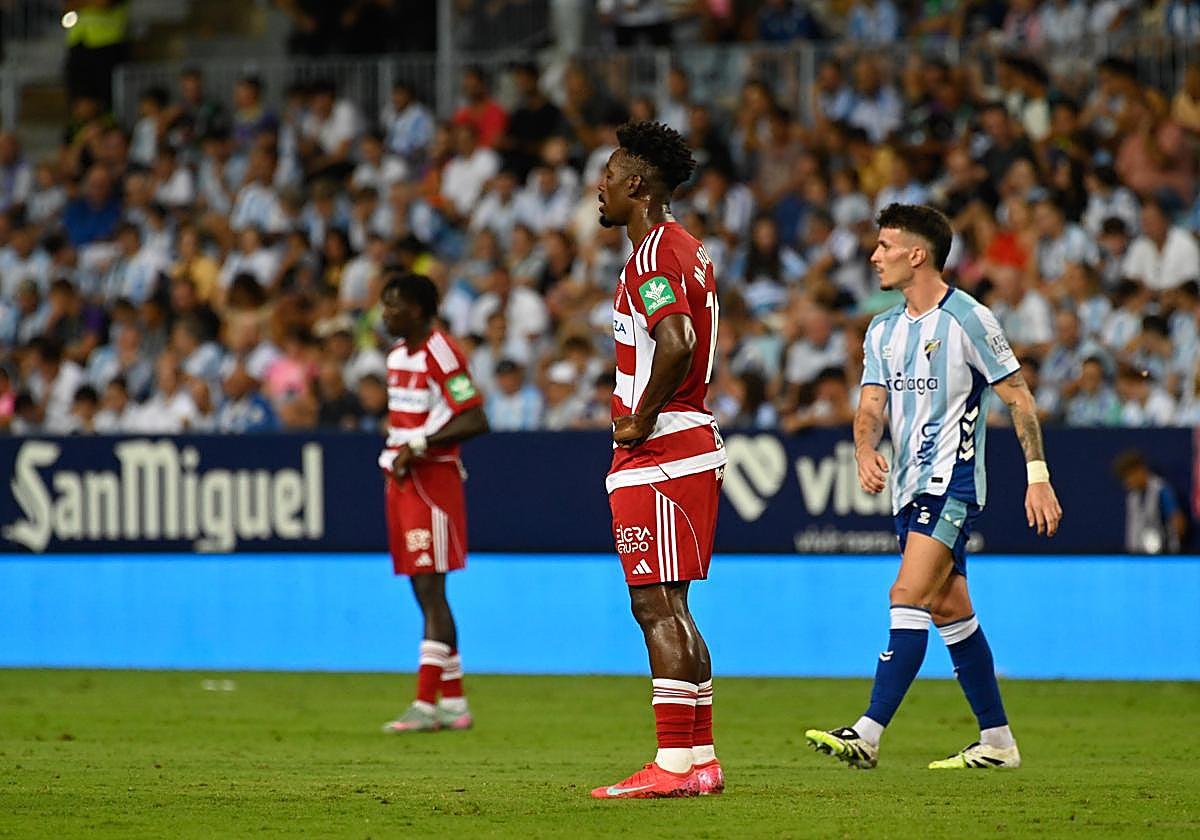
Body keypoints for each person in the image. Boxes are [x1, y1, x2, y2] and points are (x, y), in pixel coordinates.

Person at [806, 204, 1063, 771]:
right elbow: (871, 403)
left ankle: (867, 733)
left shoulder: (970, 319)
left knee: (907, 596)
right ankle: (997, 741)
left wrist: (1037, 477)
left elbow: (1018, 396)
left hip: (952, 484)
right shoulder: (882, 328)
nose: (874, 256)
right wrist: (864, 446)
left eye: (885, 246)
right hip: (906, 489)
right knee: (951, 610)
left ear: (916, 254)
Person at [591, 121, 727, 799]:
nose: (601, 188)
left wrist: (638, 416)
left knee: (653, 607)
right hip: (691, 442)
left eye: (610, 177)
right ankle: (699, 758)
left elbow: (673, 340)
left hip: (662, 449)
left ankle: (672, 767)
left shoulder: (650, 257)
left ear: (637, 185)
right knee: (674, 606)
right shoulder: (689, 249)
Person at [377, 272, 490, 735]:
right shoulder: (396, 356)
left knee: (431, 592)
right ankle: (455, 703)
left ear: (419, 310)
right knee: (424, 592)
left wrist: (419, 445)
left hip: (433, 481)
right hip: (404, 479)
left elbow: (475, 417)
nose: (385, 314)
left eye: (394, 305)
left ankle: (425, 703)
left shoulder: (440, 350)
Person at [1112, 450, 1188, 555]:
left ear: (1140, 470)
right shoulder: (1132, 497)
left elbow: (1179, 524)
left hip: (1162, 556)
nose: (1127, 483)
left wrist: (1164, 541)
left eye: (1129, 476)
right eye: (1124, 479)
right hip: (1137, 556)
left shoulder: (1161, 491)